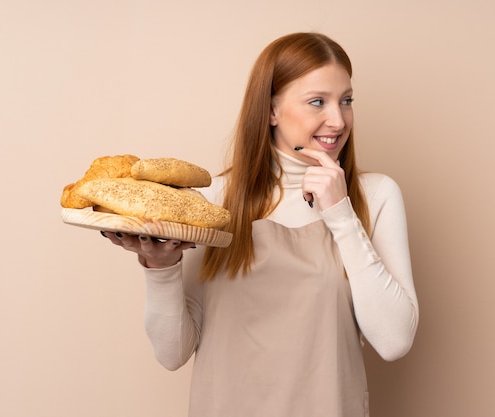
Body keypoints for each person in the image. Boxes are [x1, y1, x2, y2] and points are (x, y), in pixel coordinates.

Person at [101, 32, 419, 417]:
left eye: (346, 101)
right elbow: (172, 354)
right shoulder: (213, 202)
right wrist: (161, 269)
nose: (338, 120)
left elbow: (395, 340)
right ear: (271, 110)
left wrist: (340, 214)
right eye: (317, 101)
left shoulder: (375, 195)